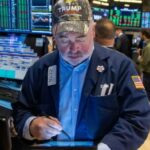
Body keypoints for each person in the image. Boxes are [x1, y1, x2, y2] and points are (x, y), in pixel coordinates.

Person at [12, 0, 150, 150]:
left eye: (80, 37)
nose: (74, 48)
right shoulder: (40, 69)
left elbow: (137, 117)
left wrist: (108, 146)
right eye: (64, 38)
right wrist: (31, 125)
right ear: (54, 35)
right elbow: (22, 110)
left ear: (93, 31)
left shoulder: (121, 67)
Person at [138, 29, 150, 100]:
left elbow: (145, 62)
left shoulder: (148, 47)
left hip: (148, 73)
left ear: (144, 35)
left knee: (147, 91)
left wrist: (139, 58)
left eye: (141, 34)